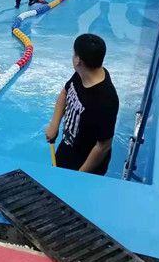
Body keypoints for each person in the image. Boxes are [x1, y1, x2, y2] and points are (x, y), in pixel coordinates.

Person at [45, 34, 119, 175]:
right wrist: (54, 124)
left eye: (74, 54)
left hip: (86, 164)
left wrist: (79, 175)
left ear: (78, 60)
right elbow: (65, 92)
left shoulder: (105, 101)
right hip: (68, 147)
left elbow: (103, 146)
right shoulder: (83, 73)